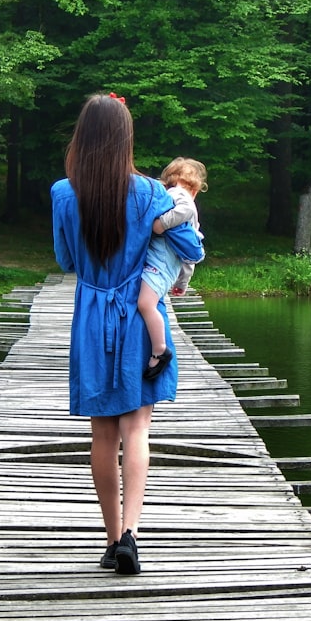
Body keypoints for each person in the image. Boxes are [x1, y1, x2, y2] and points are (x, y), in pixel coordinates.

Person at [51, 93, 204, 575]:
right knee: (137, 428)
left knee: (103, 433)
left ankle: (112, 537)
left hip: (92, 315)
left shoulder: (63, 193)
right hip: (139, 317)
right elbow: (188, 244)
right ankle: (133, 537)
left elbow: (67, 261)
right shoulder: (151, 194)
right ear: (125, 140)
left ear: (82, 138)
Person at [138, 157, 207, 380]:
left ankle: (160, 349)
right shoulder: (190, 224)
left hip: (159, 265)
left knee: (145, 304)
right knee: (147, 303)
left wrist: (160, 224)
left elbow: (185, 209)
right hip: (167, 268)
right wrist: (182, 282)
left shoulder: (176, 194)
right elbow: (189, 258)